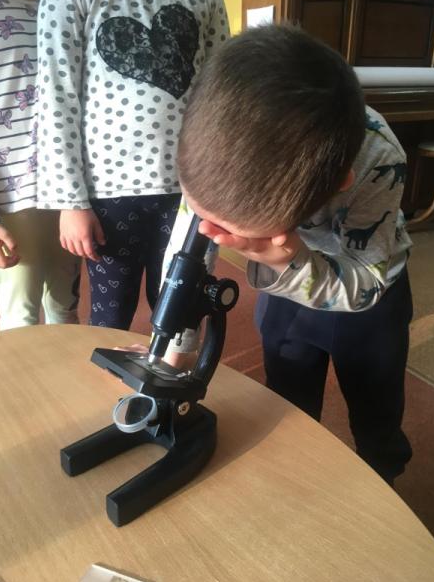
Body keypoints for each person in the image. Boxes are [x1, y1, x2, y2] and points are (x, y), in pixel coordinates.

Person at [173, 24, 413, 485]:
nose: (216, 231)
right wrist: (176, 347)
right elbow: (187, 254)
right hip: (285, 282)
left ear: (338, 184)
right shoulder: (211, 149)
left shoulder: (379, 159)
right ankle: (292, 479)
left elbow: (366, 283)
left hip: (369, 292)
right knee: (287, 398)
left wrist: (285, 261)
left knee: (376, 404)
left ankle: (385, 480)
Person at [36, 0, 229, 330]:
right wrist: (70, 201)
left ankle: (172, 366)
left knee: (181, 316)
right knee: (110, 318)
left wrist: (221, 182)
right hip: (108, 192)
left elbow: (221, 87)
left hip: (191, 189)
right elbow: (56, 93)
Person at [0, 0, 80, 330]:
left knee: (65, 309)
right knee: (21, 319)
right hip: (11, 195)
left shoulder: (57, 0)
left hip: (65, 188)